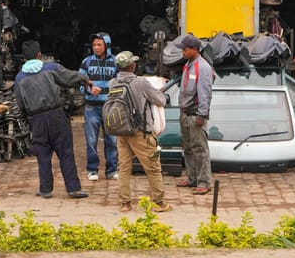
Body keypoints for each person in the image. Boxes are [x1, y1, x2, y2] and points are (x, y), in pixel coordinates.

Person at [14, 40, 90, 199]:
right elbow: (70, 77)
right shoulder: (51, 68)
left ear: (24, 58)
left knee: (42, 155)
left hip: (36, 119)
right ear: (39, 55)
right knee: (66, 152)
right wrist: (85, 79)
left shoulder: (20, 78)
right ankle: (73, 188)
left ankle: (45, 189)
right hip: (56, 115)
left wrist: (29, 118)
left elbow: (20, 104)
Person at [110, 51, 171, 213]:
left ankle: (125, 203)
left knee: (123, 167)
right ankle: (159, 202)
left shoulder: (113, 83)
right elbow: (160, 100)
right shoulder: (141, 83)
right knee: (152, 167)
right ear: (132, 66)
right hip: (140, 132)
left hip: (122, 131)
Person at [175, 34, 214, 195]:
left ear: (194, 50)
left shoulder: (202, 67)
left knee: (200, 149)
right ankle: (192, 178)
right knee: (188, 148)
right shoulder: (188, 64)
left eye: (185, 49)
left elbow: (205, 93)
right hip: (185, 113)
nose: (183, 52)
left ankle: (203, 181)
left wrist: (202, 115)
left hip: (195, 114)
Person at [79, 32, 119, 181]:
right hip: (91, 107)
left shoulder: (115, 63)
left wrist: (109, 91)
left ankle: (111, 170)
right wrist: (89, 89)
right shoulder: (86, 62)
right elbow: (79, 82)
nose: (96, 47)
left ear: (107, 46)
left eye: (99, 45)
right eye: (94, 45)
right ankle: (92, 170)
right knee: (91, 140)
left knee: (112, 141)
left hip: (110, 106)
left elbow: (121, 84)